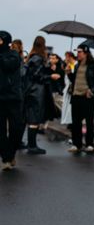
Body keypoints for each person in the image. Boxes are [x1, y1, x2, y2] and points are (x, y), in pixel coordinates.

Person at [68, 43, 94, 153]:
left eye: (79, 52)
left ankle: (89, 144)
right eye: (77, 52)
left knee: (89, 122)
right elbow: (75, 80)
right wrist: (69, 74)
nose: (77, 54)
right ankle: (76, 144)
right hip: (76, 96)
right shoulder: (77, 65)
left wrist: (92, 90)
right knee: (76, 122)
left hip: (87, 97)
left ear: (86, 53)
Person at [24, 35, 55, 154]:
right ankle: (32, 146)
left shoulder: (32, 57)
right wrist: (50, 76)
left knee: (32, 118)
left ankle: (31, 144)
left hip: (32, 90)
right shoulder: (38, 58)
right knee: (34, 119)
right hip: (36, 91)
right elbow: (37, 76)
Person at [0, 31, 24, 170]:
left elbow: (8, 66)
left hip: (13, 97)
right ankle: (6, 157)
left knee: (16, 128)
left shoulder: (13, 55)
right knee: (0, 131)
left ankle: (11, 153)